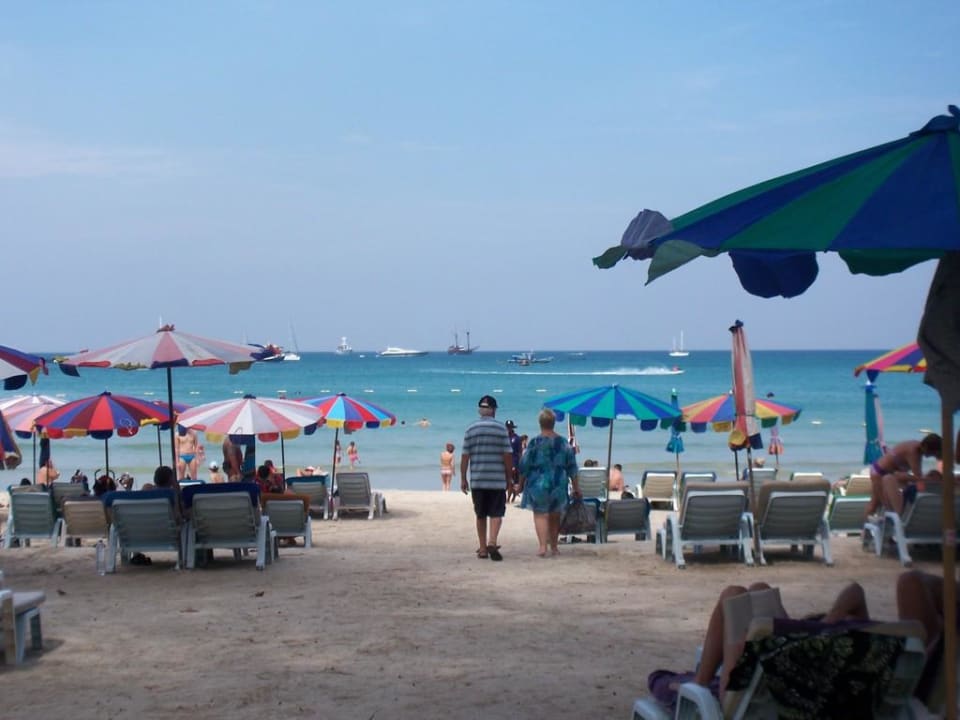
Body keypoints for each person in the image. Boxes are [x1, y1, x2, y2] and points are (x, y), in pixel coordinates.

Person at [518, 408, 581, 557]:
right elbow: (572, 467)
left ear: (540, 423)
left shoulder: (534, 442)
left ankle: (542, 547)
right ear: (554, 423)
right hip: (558, 483)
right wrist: (576, 487)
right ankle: (554, 546)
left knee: (540, 514)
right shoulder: (563, 443)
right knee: (555, 515)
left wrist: (520, 483)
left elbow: (524, 465)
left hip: (538, 483)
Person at [460, 394, 513, 561]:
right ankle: (492, 541)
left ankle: (483, 548)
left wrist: (463, 478)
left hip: (478, 479)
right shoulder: (501, 429)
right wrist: (509, 478)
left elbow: (465, 457)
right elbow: (507, 456)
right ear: (494, 410)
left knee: (480, 514)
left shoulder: (471, 429)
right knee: (497, 512)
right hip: (496, 480)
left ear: (479, 410)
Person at [866, 433, 942, 516]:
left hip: (885, 473)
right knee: (876, 505)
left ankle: (872, 526)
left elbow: (914, 477)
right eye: (932, 453)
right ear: (927, 447)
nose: (932, 456)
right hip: (879, 472)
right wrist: (931, 480)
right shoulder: (913, 452)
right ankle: (867, 528)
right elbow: (918, 477)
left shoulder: (916, 448)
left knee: (880, 505)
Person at [505, 420, 523, 501]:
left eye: (510, 427)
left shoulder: (517, 438)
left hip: (514, 462)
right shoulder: (504, 438)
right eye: (507, 427)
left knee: (511, 481)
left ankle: (509, 498)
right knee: (506, 481)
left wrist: (517, 465)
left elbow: (519, 453)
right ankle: (511, 495)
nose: (508, 429)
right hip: (505, 462)